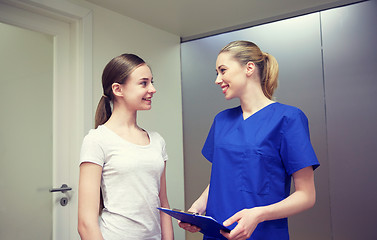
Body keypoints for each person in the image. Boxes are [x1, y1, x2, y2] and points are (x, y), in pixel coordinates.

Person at [179, 40, 320, 240]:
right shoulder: (221, 120)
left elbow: (306, 196)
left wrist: (258, 214)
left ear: (249, 68)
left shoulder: (288, 118)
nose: (218, 79)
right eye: (216, 73)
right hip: (217, 233)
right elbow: (221, 178)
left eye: (223, 70)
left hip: (262, 234)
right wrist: (197, 208)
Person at [78, 54, 174, 240]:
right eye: (144, 83)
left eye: (151, 82)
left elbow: (164, 204)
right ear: (118, 89)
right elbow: (85, 224)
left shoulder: (157, 141)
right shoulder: (97, 140)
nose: (152, 89)